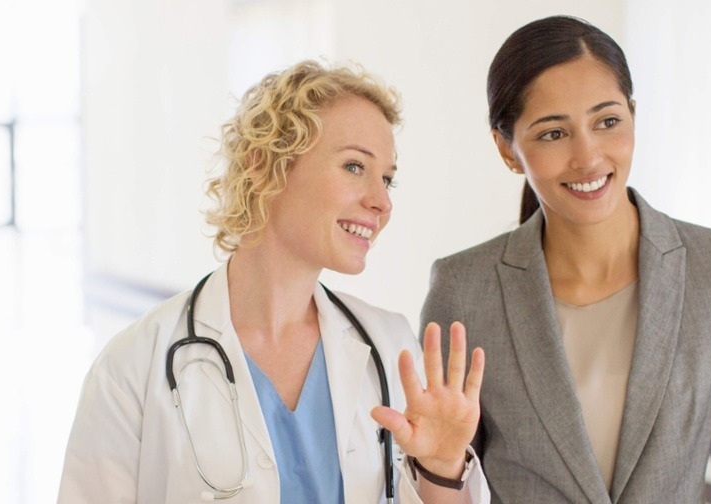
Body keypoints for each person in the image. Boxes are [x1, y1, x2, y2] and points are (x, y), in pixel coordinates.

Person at [58, 60, 490, 504]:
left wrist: (442, 469)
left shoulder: (390, 346)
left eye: (387, 180)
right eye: (354, 166)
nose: (382, 202)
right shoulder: (132, 367)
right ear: (266, 166)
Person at [420, 16, 711, 503]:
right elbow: (445, 476)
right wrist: (438, 468)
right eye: (553, 133)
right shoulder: (464, 290)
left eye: (607, 122)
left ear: (633, 116)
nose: (588, 157)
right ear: (507, 150)